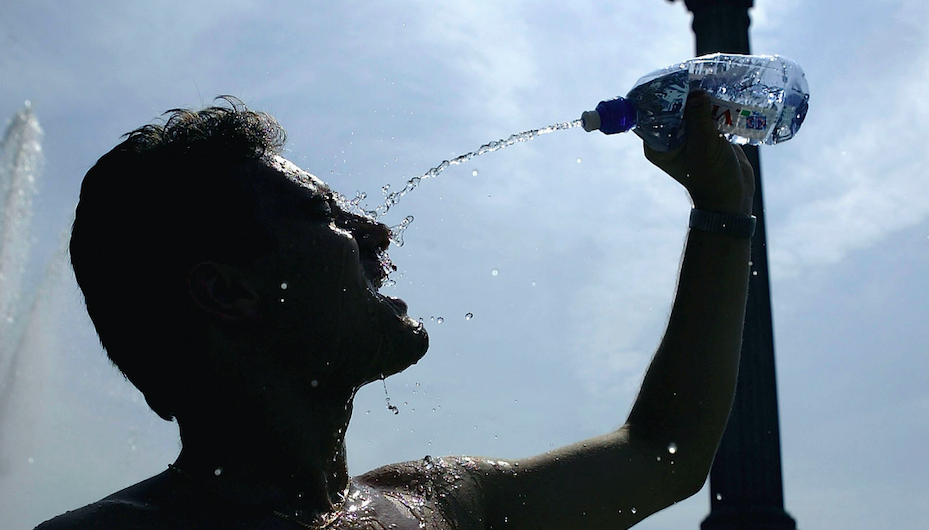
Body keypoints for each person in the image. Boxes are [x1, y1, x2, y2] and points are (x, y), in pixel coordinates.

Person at [38, 90, 754, 530]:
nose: (375, 230)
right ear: (229, 291)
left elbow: (664, 449)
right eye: (325, 214)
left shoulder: (440, 501)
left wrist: (723, 212)